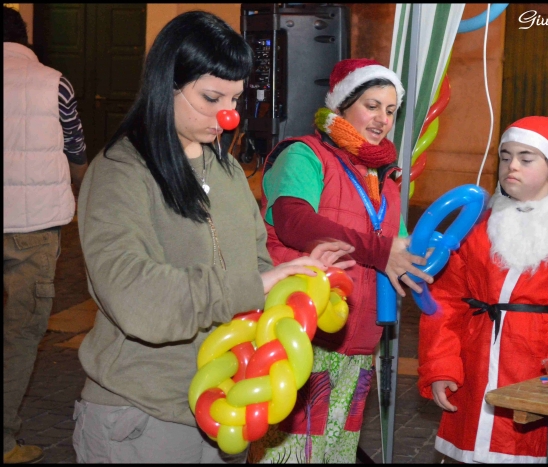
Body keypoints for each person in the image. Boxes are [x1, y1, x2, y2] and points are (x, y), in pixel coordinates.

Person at [70, 11, 355, 464]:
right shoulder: (120, 173)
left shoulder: (224, 171)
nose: (228, 116)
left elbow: (255, 268)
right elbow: (136, 298)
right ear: (167, 84)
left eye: (237, 99)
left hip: (226, 409)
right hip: (144, 416)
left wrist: (298, 277)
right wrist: (253, 285)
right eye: (211, 97)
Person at [248, 58, 434, 463]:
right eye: (371, 105)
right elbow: (294, 221)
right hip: (301, 337)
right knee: (290, 455)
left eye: (390, 110)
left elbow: (395, 251)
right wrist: (379, 251)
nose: (381, 119)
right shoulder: (304, 155)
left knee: (337, 454)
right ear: (341, 104)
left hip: (359, 344)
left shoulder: (385, 180)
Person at [417, 116, 548, 463]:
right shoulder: (475, 229)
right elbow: (445, 300)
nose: (512, 165)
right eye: (505, 155)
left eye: (526, 158)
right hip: (475, 368)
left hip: (537, 374)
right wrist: (441, 366)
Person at [3, 6, 88, 464]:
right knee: (19, 333)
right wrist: (79, 181)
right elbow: (75, 144)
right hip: (32, 227)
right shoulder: (53, 81)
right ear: (25, 37)